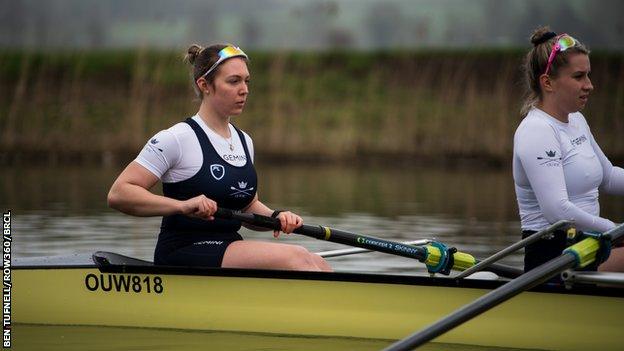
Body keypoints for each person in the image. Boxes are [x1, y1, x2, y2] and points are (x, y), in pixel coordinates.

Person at [107, 44, 332, 272]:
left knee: (317, 262)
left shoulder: (244, 141)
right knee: (299, 258)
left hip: (227, 247)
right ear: (204, 85)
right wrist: (183, 206)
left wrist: (278, 216)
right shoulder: (176, 138)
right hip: (184, 250)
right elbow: (119, 194)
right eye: (234, 81)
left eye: (246, 81)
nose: (244, 89)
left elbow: (247, 207)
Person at [513, 26, 624, 273]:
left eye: (588, 75)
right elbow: (557, 211)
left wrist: (611, 232)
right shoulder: (536, 131)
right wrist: (613, 229)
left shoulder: (576, 120)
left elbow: (608, 177)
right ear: (548, 82)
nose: (589, 85)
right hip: (553, 256)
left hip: (591, 246)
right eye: (579, 77)